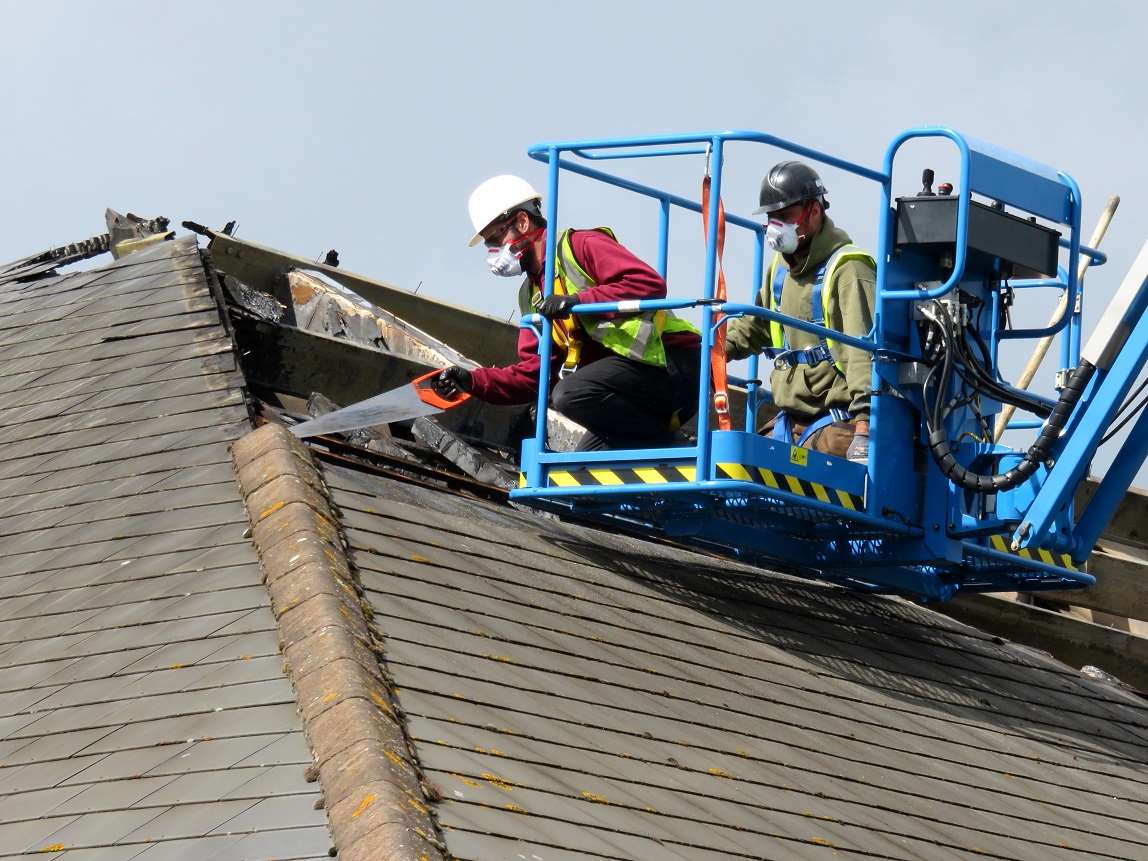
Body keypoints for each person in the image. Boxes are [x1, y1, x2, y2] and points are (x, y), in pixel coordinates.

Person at [435, 174, 701, 451]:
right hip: (626, 393)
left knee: (569, 393)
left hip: (671, 364)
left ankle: (670, 444)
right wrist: (474, 381)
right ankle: (661, 443)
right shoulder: (531, 294)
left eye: (496, 238)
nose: (494, 252)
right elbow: (535, 376)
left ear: (522, 222)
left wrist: (578, 301)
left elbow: (649, 283)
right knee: (579, 474)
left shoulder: (580, 246)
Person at [725, 161, 876, 463]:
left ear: (815, 211)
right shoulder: (779, 270)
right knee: (738, 465)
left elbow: (864, 355)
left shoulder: (848, 269)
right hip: (790, 422)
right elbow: (754, 328)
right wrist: (710, 347)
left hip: (838, 421)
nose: (775, 226)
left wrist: (865, 428)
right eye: (771, 218)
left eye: (784, 216)